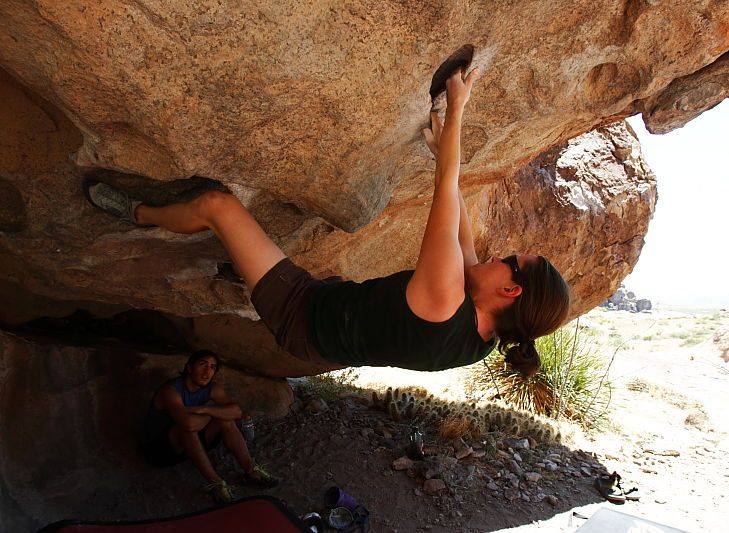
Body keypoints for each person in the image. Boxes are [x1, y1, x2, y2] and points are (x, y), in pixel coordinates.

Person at [87, 66, 571, 378]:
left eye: (509, 262)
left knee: (219, 206)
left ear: (512, 291)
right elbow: (460, 228)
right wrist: (440, 152)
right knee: (254, 249)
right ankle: (242, 269)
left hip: (303, 315)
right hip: (331, 323)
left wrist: (459, 111)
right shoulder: (481, 335)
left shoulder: (446, 299)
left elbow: (446, 192)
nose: (495, 257)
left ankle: (140, 213)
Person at [140, 350, 279, 504]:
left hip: (188, 447)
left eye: (212, 367)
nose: (207, 371)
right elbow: (189, 424)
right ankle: (216, 484)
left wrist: (205, 409)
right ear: (189, 368)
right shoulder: (171, 391)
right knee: (189, 427)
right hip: (159, 451)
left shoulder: (212, 388)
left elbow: (236, 412)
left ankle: (251, 470)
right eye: (203, 365)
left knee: (225, 420)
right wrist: (216, 413)